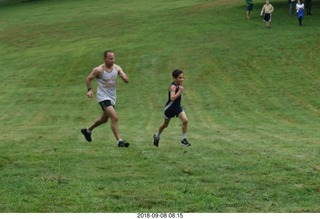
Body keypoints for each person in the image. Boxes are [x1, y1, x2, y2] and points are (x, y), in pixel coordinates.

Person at [81, 50, 130, 147]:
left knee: (103, 120)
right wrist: (89, 90)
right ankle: (119, 141)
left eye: (113, 58)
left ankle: (87, 130)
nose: (112, 60)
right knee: (114, 118)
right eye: (110, 59)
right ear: (104, 59)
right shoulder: (99, 70)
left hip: (112, 97)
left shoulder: (116, 68)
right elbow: (89, 78)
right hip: (103, 97)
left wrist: (125, 78)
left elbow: (124, 76)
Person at [153, 69, 191, 147]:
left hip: (177, 108)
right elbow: (172, 98)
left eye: (182, 77)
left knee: (185, 120)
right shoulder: (173, 86)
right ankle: (157, 135)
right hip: (170, 108)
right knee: (165, 125)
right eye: (179, 78)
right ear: (174, 78)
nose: (182, 79)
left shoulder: (179, 86)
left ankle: (183, 140)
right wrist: (180, 91)